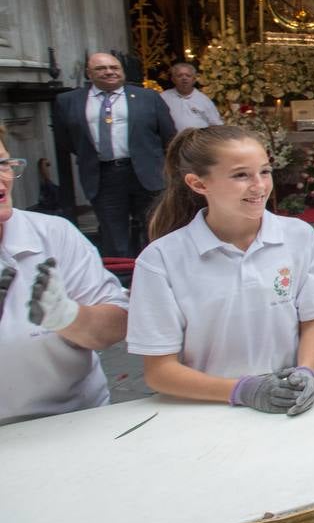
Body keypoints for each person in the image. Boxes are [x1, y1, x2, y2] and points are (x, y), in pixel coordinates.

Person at [126, 126, 314, 416]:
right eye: (241, 175)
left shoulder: (298, 237)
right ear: (199, 184)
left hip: (289, 402)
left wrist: (306, 371)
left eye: (264, 171)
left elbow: (312, 323)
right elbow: (159, 371)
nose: (259, 186)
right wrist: (242, 390)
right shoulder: (161, 260)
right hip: (206, 406)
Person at [0, 127, 130, 425]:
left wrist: (69, 316)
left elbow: (114, 328)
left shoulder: (53, 234)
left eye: (2, 163)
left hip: (73, 418)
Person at [53, 52, 177, 258]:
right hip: (103, 176)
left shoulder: (148, 97)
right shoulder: (68, 101)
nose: (109, 72)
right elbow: (67, 140)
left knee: (156, 229)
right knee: (113, 233)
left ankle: (160, 271)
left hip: (147, 175)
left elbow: (168, 136)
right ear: (89, 73)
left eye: (114, 67)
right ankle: (124, 281)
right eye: (101, 69)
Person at [160, 61, 224, 131]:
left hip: (198, 140)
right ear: (173, 79)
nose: (184, 78)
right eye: (179, 75)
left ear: (194, 79)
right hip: (172, 140)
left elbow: (216, 124)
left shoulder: (204, 100)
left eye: (188, 75)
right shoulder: (163, 97)